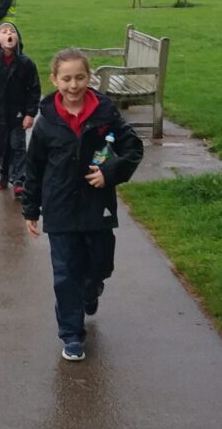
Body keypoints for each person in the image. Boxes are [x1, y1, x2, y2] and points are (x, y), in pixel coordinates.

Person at [22, 48, 143, 362]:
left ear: (89, 78)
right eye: (66, 78)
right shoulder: (46, 122)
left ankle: (93, 289)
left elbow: (133, 148)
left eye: (79, 77)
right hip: (59, 208)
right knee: (66, 274)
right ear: (54, 80)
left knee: (100, 264)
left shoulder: (106, 114)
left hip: (96, 207)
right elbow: (33, 168)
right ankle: (71, 334)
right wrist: (31, 209)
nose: (73, 85)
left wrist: (110, 172)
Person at [0, 21, 40, 195]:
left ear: (17, 38)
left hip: (19, 113)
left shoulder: (26, 64)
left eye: (12, 31)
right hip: (0, 114)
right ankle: (4, 174)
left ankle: (19, 179)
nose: (9, 34)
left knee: (18, 145)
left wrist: (30, 113)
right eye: (4, 32)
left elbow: (34, 89)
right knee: (3, 146)